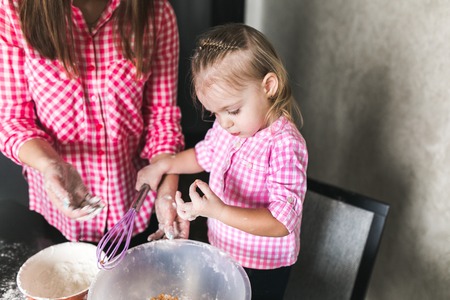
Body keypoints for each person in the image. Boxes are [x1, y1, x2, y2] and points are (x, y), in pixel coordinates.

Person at [137, 23, 308, 299]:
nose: (224, 123)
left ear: (268, 86)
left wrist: (216, 211)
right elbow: (203, 155)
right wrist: (164, 164)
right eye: (214, 114)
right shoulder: (231, 127)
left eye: (232, 110)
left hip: (262, 265)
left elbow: (280, 222)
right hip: (224, 250)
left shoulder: (285, 145)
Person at [0, 0, 189, 244]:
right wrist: (50, 164)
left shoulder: (156, 12)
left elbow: (161, 118)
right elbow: (14, 120)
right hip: (59, 216)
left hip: (135, 203)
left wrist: (167, 191)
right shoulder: (15, 10)